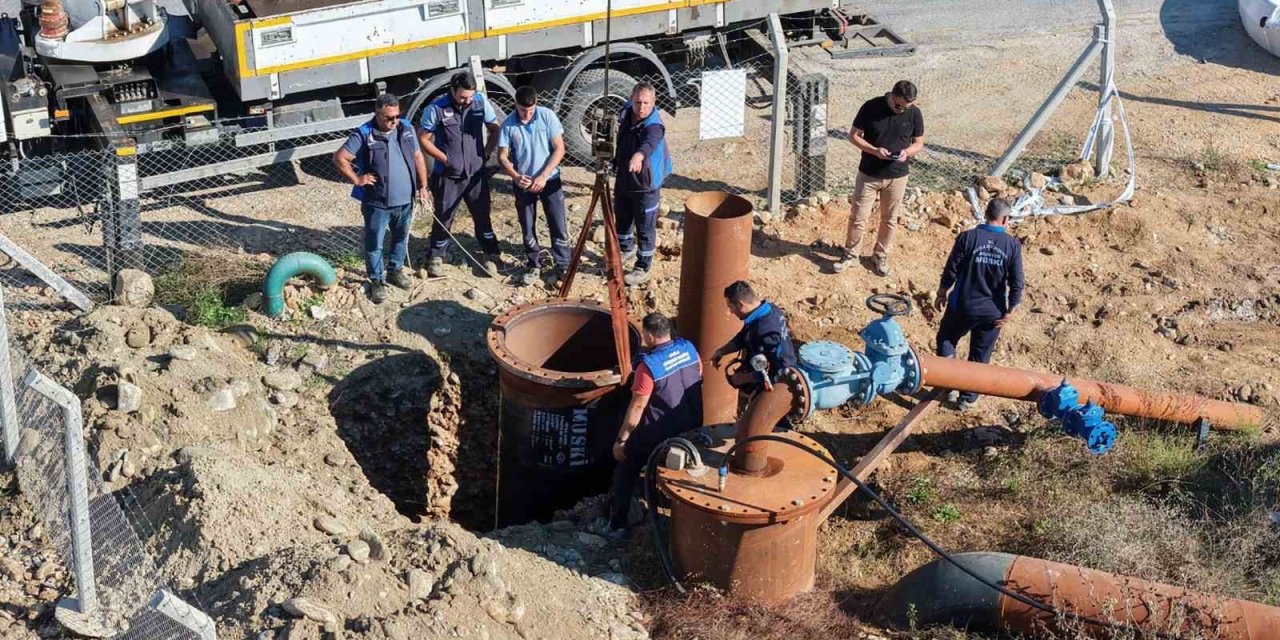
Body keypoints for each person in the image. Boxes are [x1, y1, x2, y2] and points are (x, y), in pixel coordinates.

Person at [610, 312, 703, 536]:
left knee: (626, 471)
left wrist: (622, 440)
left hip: (658, 432)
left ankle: (617, 525)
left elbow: (638, 406)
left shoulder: (649, 366)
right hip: (691, 424)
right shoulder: (689, 348)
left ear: (650, 336)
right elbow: (698, 373)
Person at [333, 93, 429, 304]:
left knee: (401, 238)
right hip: (377, 204)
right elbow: (340, 158)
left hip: (405, 202)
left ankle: (395, 270)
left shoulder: (406, 128)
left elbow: (417, 156)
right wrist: (357, 179)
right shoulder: (364, 134)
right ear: (377, 114)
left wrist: (423, 186)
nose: (394, 122)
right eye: (389, 118)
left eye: (397, 116)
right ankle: (376, 280)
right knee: (374, 243)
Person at [933, 198, 1024, 410]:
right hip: (993, 312)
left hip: (962, 306)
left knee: (946, 338)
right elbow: (1017, 282)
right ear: (1005, 219)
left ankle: (947, 383)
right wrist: (1010, 309)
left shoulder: (968, 237)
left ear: (986, 214)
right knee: (980, 354)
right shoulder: (1012, 245)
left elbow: (951, 269)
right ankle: (968, 398)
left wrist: (942, 291)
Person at [835, 80, 925, 278]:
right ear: (892, 96)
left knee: (890, 220)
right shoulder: (871, 107)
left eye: (907, 107)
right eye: (899, 106)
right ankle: (851, 255)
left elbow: (919, 142)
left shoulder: (914, 113)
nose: (902, 110)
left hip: (898, 176)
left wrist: (906, 153)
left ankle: (880, 256)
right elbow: (854, 136)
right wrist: (875, 151)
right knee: (858, 217)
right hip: (869, 175)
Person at [419, 71, 502, 278]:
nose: (467, 101)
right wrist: (445, 160)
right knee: (444, 216)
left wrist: (486, 153)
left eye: (470, 97)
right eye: (463, 97)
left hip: (475, 175)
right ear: (452, 90)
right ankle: (436, 256)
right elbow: (423, 139)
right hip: (448, 176)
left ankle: (491, 253)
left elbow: (494, 128)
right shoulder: (436, 108)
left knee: (482, 215)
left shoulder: (480, 102)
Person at [497, 86, 571, 287]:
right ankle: (534, 263)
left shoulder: (547, 116)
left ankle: (563, 263)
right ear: (515, 105)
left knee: (557, 222)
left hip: (549, 180)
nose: (527, 115)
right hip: (524, 183)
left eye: (531, 111)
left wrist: (544, 176)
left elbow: (559, 148)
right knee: (527, 225)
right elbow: (502, 156)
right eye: (523, 111)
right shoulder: (508, 124)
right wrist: (515, 176)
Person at [612, 82, 673, 287]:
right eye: (638, 102)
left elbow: (649, 144)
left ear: (654, 102)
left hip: (646, 183)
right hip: (625, 176)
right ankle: (626, 248)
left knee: (645, 225)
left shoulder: (654, 126)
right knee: (622, 215)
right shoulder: (626, 113)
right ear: (631, 100)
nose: (641, 107)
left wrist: (638, 156)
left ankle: (643, 266)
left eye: (646, 103)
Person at [710, 281, 797, 396]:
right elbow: (744, 336)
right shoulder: (769, 310)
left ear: (740, 305)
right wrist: (722, 351)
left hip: (779, 386)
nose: (729, 312)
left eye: (731, 307)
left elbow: (778, 370)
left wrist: (744, 378)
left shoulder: (764, 330)